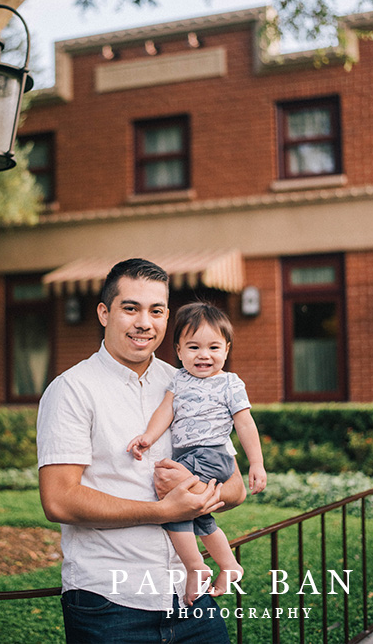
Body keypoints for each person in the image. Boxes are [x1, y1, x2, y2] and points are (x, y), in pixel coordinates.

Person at [37, 258, 248, 644]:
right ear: (104, 312)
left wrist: (196, 489)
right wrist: (163, 512)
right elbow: (59, 500)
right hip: (110, 601)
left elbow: (235, 488)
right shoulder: (71, 390)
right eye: (130, 308)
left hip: (191, 599)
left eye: (157, 310)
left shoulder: (190, 382)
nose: (144, 323)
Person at [127, 301, 267, 604]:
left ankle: (195, 567)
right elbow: (166, 411)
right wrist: (148, 437)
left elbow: (245, 424)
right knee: (197, 514)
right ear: (178, 351)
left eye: (214, 347)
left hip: (213, 454)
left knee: (175, 505)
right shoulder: (178, 380)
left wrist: (256, 463)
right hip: (187, 456)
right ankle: (229, 564)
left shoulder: (230, 383)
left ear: (226, 350)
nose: (204, 355)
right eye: (193, 347)